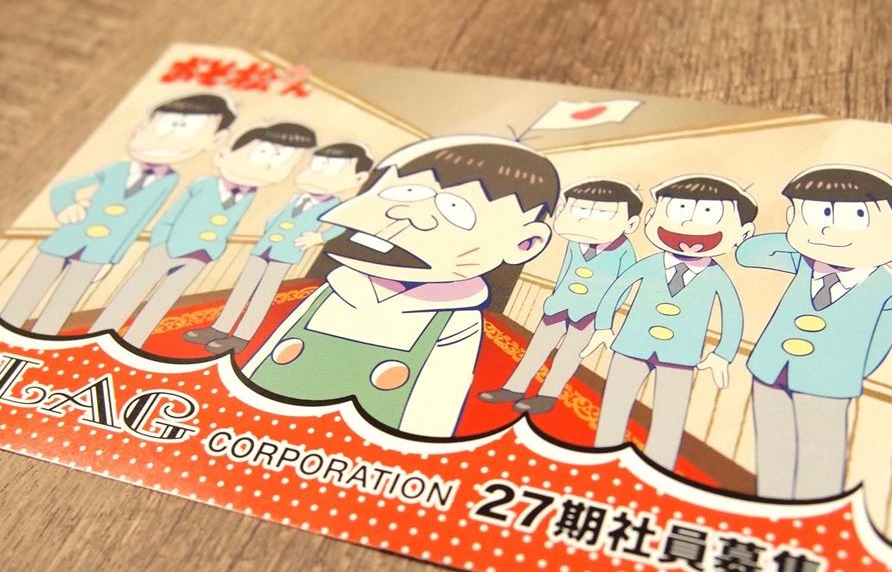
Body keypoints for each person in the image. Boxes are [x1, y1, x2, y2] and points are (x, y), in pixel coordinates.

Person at [242, 138, 560, 437]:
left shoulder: (454, 319)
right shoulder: (334, 288)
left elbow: (437, 403)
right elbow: (259, 365)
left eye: (454, 209)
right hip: (264, 425)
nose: (406, 215)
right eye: (404, 193)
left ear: (525, 243)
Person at [737, 164, 892, 501]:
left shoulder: (887, 284)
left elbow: (879, 344)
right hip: (770, 370)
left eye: (856, 216)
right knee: (773, 450)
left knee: (820, 458)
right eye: (816, 214)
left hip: (828, 382)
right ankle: (772, 506)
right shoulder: (804, 261)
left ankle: (809, 513)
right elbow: (748, 254)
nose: (827, 227)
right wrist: (799, 236)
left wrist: (843, 373)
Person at [0, 94, 235, 334]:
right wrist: (66, 207)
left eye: (185, 130)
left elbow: (136, 224)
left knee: (61, 307)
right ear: (143, 127)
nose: (166, 138)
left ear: (215, 140)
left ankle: (42, 338)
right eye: (163, 126)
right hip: (66, 238)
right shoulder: (116, 168)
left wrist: (111, 259)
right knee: (24, 298)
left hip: (100, 253)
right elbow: (65, 188)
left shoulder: (170, 180)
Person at [583, 175, 756, 469]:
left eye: (708, 214)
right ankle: (603, 451)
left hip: (680, 356)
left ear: (742, 232)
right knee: (615, 402)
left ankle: (659, 464)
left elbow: (732, 315)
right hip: (631, 346)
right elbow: (617, 290)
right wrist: (603, 326)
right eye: (679, 210)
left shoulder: (717, 277)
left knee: (670, 414)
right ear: (653, 216)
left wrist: (722, 354)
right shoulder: (649, 264)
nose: (688, 223)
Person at [91, 121, 315, 347]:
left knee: (162, 301)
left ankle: (133, 342)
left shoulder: (250, 193)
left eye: (281, 160)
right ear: (223, 156)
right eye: (263, 154)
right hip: (168, 248)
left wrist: (214, 250)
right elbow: (173, 214)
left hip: (200, 255)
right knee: (131, 294)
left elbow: (230, 223)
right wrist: (159, 243)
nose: (267, 166)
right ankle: (98, 336)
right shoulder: (204, 184)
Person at [185, 142, 373, 354]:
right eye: (316, 165)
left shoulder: (334, 205)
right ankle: (219, 328)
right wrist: (268, 233)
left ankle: (241, 337)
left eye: (331, 169)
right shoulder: (297, 197)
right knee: (242, 290)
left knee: (263, 295)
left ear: (357, 178)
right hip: (264, 248)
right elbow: (276, 218)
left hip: (286, 253)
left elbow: (340, 226)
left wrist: (319, 237)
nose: (317, 173)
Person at [478, 179, 641, 415]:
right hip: (559, 308)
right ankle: (513, 388)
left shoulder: (624, 251)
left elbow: (620, 291)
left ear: (629, 222)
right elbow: (566, 271)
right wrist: (554, 298)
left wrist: (603, 320)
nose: (586, 220)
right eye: (581, 210)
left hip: (589, 315)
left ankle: (548, 395)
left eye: (602, 213)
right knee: (536, 350)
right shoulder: (575, 242)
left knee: (568, 356)